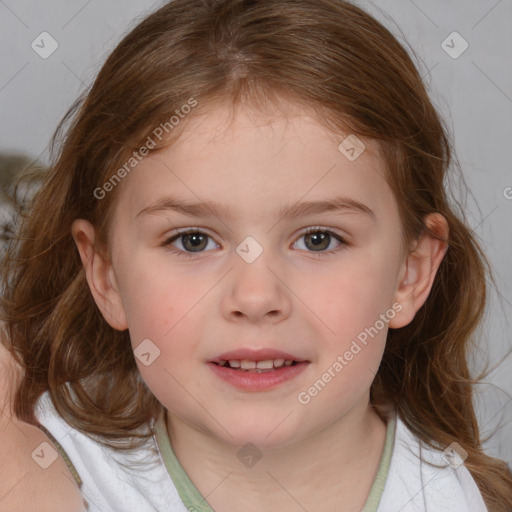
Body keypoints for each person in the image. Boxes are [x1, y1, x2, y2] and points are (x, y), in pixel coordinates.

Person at [1, 0, 511, 511]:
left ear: (410, 274)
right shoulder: (33, 472)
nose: (256, 297)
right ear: (106, 275)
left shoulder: (464, 501)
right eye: (192, 240)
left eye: (318, 239)